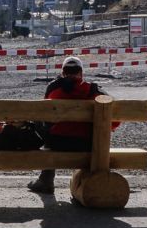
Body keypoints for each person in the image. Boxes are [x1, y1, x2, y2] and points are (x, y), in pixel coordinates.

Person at [27, 56, 117, 194]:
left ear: (63, 72)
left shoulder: (53, 89)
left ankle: (46, 179)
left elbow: (44, 115)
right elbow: (114, 120)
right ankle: (98, 177)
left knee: (40, 122)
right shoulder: (94, 92)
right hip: (87, 144)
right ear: (81, 73)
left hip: (57, 143)